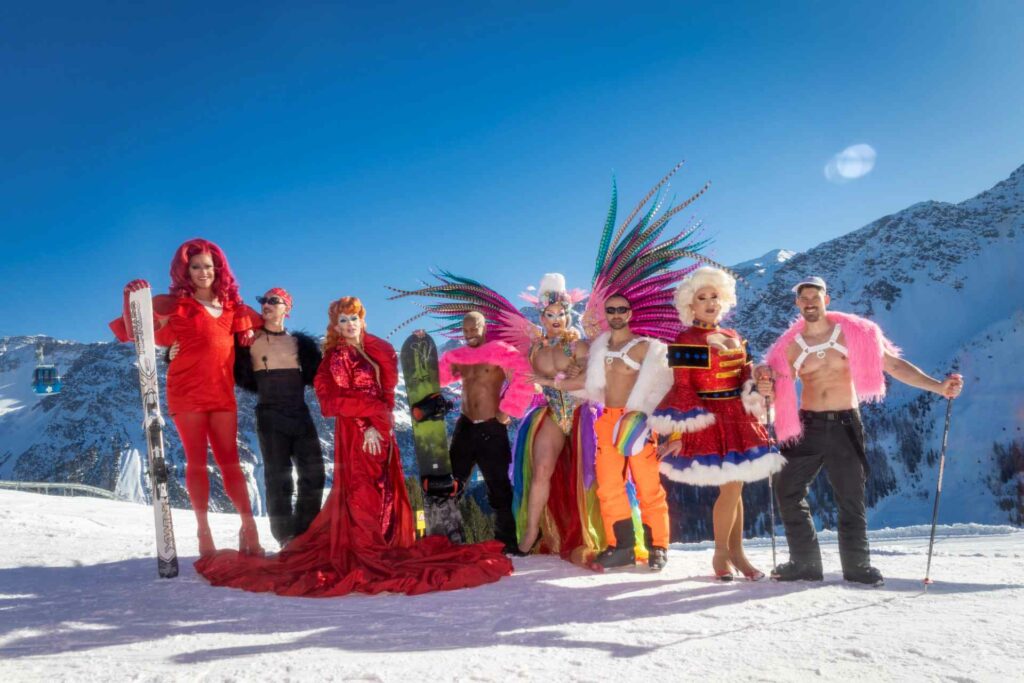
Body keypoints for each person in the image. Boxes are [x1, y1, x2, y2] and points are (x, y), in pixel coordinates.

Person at [192, 297, 513, 597]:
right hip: (358, 435)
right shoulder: (336, 356)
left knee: (385, 491)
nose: (349, 324)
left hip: (382, 434)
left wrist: (385, 415)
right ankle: (366, 547)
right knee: (363, 491)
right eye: (342, 319)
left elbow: (387, 395)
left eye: (354, 318)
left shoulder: (374, 349)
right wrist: (368, 425)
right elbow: (331, 402)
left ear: (362, 320)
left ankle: (383, 542)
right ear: (336, 325)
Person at [758, 276, 964, 586]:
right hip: (808, 426)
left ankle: (857, 567)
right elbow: (775, 390)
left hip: (845, 424)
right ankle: (805, 563)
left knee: (850, 497)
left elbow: (893, 366)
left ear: (826, 300)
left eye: (816, 296)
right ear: (797, 304)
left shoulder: (853, 335)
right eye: (804, 298)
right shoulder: (789, 348)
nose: (810, 302)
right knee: (787, 490)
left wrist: (938, 387)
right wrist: (764, 384)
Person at [110, 238, 263, 557]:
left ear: (218, 269)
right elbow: (135, 331)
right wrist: (130, 297)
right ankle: (203, 531)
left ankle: (249, 528)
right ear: (186, 270)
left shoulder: (234, 307)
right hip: (186, 392)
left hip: (222, 392)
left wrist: (255, 326)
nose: (203, 272)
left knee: (230, 461)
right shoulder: (173, 304)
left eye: (209, 266)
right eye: (196, 267)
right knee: (196, 461)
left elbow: (268, 323)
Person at [651, 267, 785, 580]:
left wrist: (759, 382)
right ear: (690, 305)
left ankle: (736, 554)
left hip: (737, 416)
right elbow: (683, 388)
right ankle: (722, 555)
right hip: (708, 418)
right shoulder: (685, 339)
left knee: (735, 488)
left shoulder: (735, 337)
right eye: (702, 298)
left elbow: (743, 378)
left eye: (715, 296)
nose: (710, 303)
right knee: (730, 489)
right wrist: (678, 431)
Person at [575, 293, 674, 570]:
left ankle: (658, 546)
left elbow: (666, 385)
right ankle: (621, 546)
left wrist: (649, 418)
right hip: (607, 419)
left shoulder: (647, 348)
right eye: (611, 310)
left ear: (630, 313)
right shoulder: (598, 349)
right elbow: (587, 385)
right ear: (605, 315)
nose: (616, 314)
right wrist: (551, 380)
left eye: (622, 309)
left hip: (638, 421)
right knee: (608, 487)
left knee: (648, 486)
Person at [233, 287, 324, 548]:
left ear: (287, 308)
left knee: (314, 473)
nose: (267, 305)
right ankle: (285, 536)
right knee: (278, 477)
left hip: (300, 412)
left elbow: (322, 377)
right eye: (264, 301)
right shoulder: (249, 341)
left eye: (275, 301)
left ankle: (305, 532)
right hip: (270, 414)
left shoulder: (301, 344)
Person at [438, 312, 535, 554]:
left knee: (498, 485)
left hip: (492, 426)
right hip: (465, 425)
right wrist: (422, 350)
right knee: (453, 482)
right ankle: (446, 537)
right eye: (466, 329)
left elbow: (524, 377)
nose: (470, 334)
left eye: (475, 328)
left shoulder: (500, 351)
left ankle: (508, 540)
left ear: (484, 328)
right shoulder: (457, 356)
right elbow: (437, 377)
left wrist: (508, 410)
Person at [515, 273, 590, 556]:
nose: (557, 319)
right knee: (541, 470)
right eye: (550, 314)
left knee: (588, 474)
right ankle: (532, 530)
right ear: (542, 317)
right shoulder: (534, 349)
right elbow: (520, 377)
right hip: (553, 414)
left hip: (583, 413)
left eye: (562, 313)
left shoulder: (578, 345)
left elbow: (586, 379)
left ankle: (596, 529)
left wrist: (575, 370)